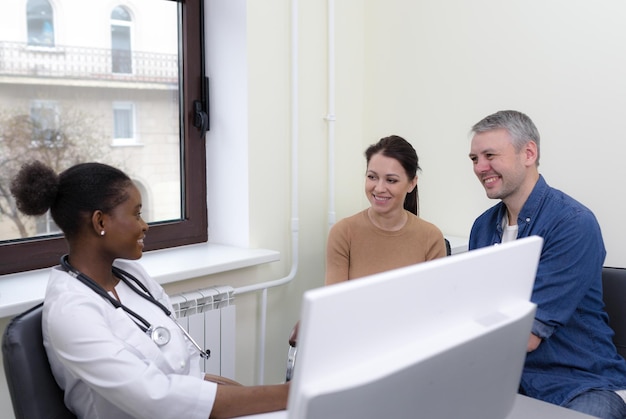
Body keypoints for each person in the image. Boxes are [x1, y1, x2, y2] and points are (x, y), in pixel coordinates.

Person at [10, 161, 289, 419]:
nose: (144, 226)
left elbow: (182, 369)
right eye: (137, 213)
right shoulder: (71, 311)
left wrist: (245, 395)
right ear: (100, 222)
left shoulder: (132, 275)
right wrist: (284, 395)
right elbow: (156, 397)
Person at [468, 110, 626, 419]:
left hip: (581, 384)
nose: (479, 167)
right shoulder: (482, 228)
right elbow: (476, 311)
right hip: (509, 383)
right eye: (474, 158)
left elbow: (525, 335)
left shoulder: (573, 224)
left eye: (489, 155)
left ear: (528, 153)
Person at [325, 134, 447, 285]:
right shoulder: (343, 233)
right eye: (372, 177)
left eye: (391, 180)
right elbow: (335, 303)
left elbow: (435, 302)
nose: (379, 188)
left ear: (412, 183)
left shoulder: (431, 237)